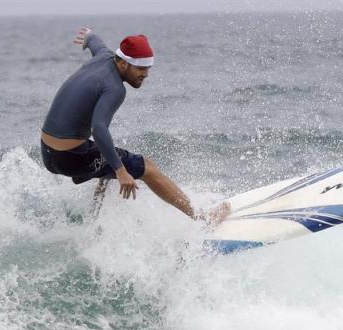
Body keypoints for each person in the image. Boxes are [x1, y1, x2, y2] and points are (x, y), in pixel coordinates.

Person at [40, 27, 229, 224]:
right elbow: (99, 128)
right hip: (70, 157)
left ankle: (92, 221)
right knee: (145, 166)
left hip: (49, 152)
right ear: (122, 63)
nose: (145, 74)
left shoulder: (104, 56)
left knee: (109, 158)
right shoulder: (114, 88)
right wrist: (121, 171)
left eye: (148, 68)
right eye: (139, 68)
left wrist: (88, 36)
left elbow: (95, 41)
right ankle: (202, 218)